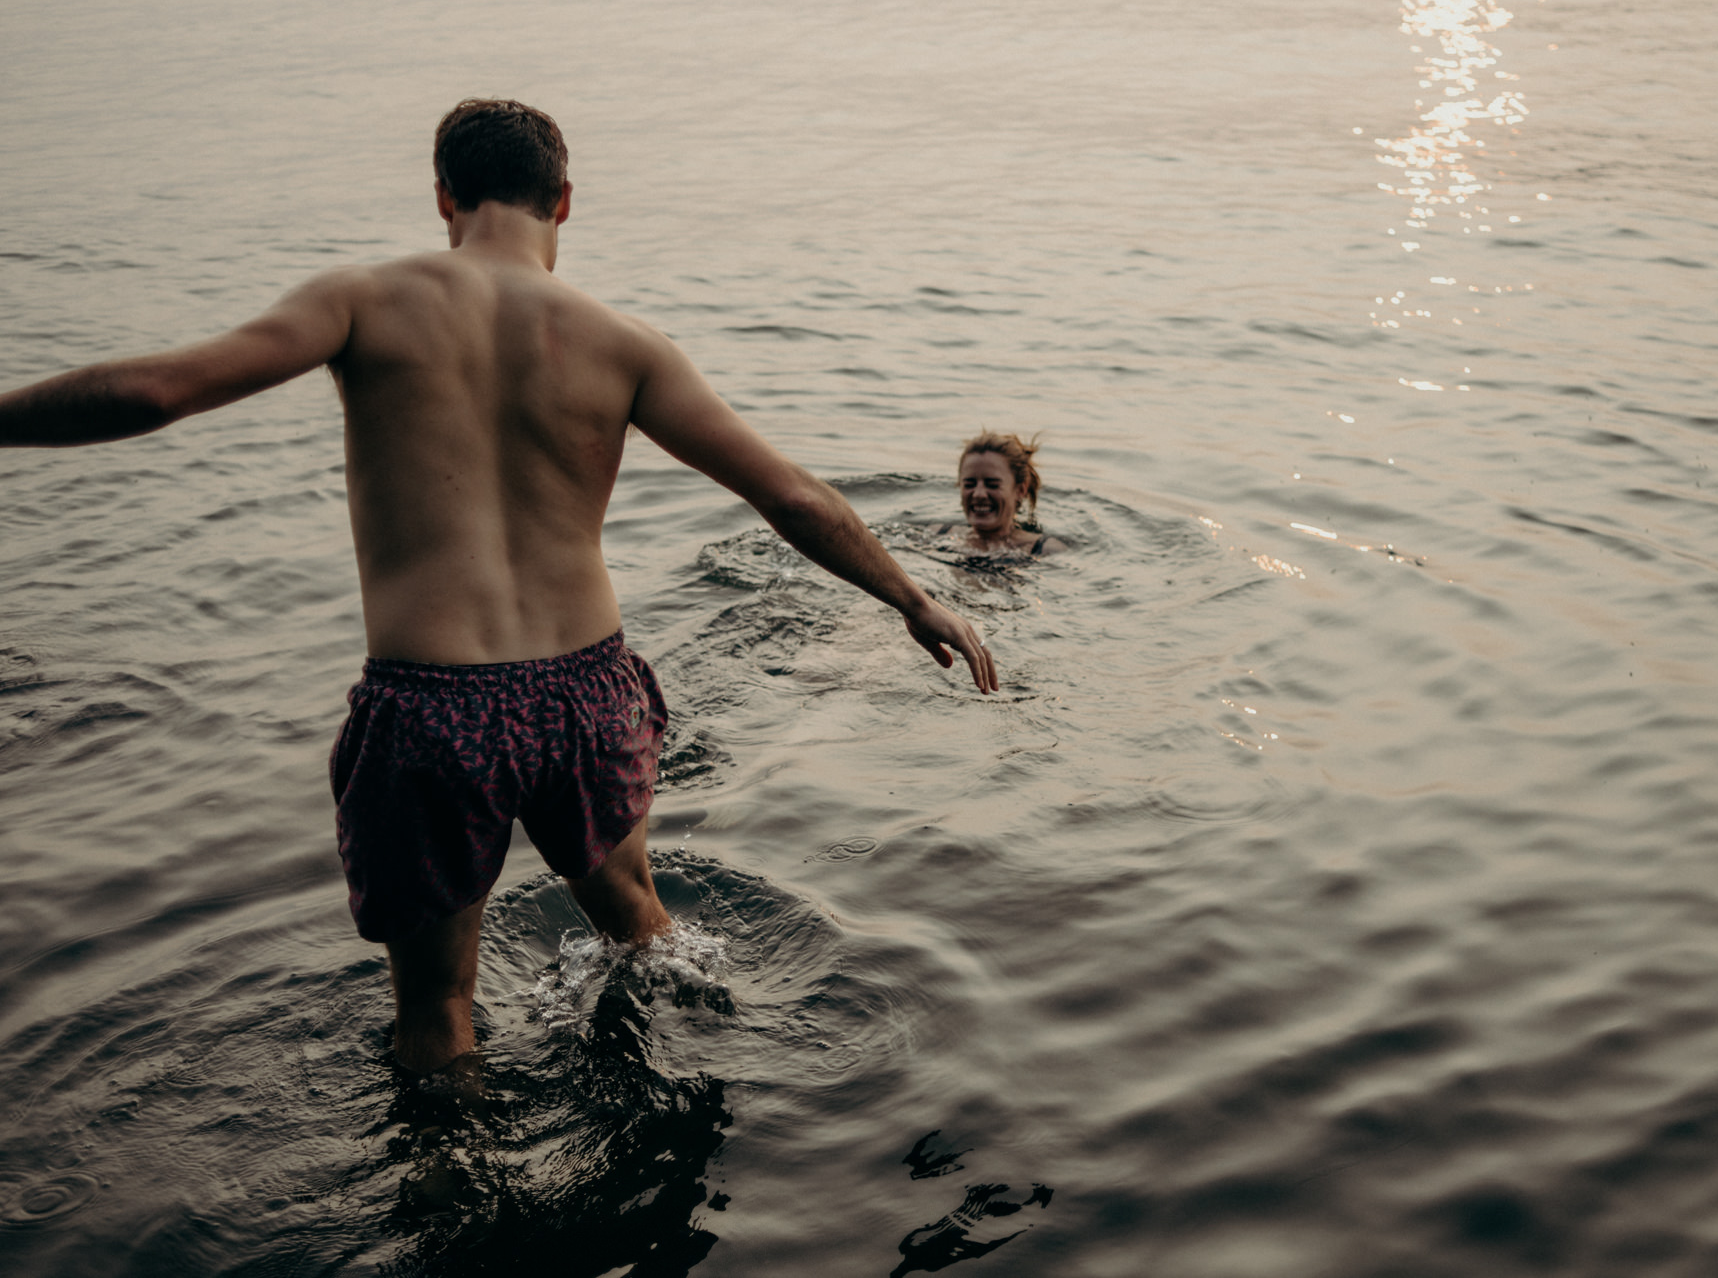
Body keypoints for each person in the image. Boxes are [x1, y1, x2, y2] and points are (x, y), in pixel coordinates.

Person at [0, 98, 997, 1077]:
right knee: (639, 921)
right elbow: (789, 494)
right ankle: (729, 1074)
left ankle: (451, 1205)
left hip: (432, 703)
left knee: (436, 1009)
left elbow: (156, 390)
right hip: (587, 693)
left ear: (444, 196)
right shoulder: (628, 342)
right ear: (564, 200)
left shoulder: (362, 300)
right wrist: (912, 599)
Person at [943, 431, 1065, 556]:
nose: (978, 494)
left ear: (1020, 490)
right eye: (969, 485)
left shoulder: (1044, 550)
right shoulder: (939, 535)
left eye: (992, 485)